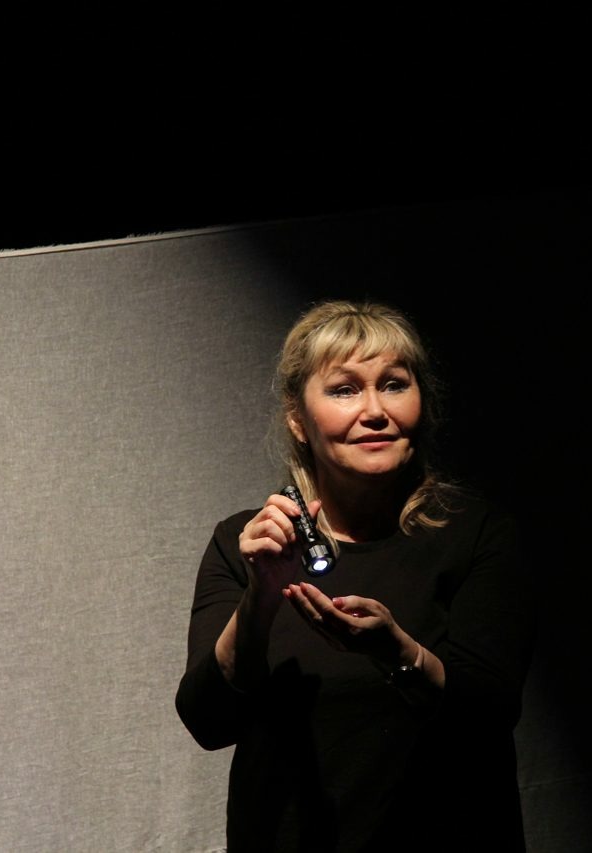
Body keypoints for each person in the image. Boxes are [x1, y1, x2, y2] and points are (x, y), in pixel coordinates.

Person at [175, 299, 536, 852]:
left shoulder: (477, 534)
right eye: (344, 390)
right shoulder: (245, 541)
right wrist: (261, 597)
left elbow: (489, 712)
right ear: (298, 419)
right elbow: (209, 722)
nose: (374, 411)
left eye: (394, 385)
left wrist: (397, 652)